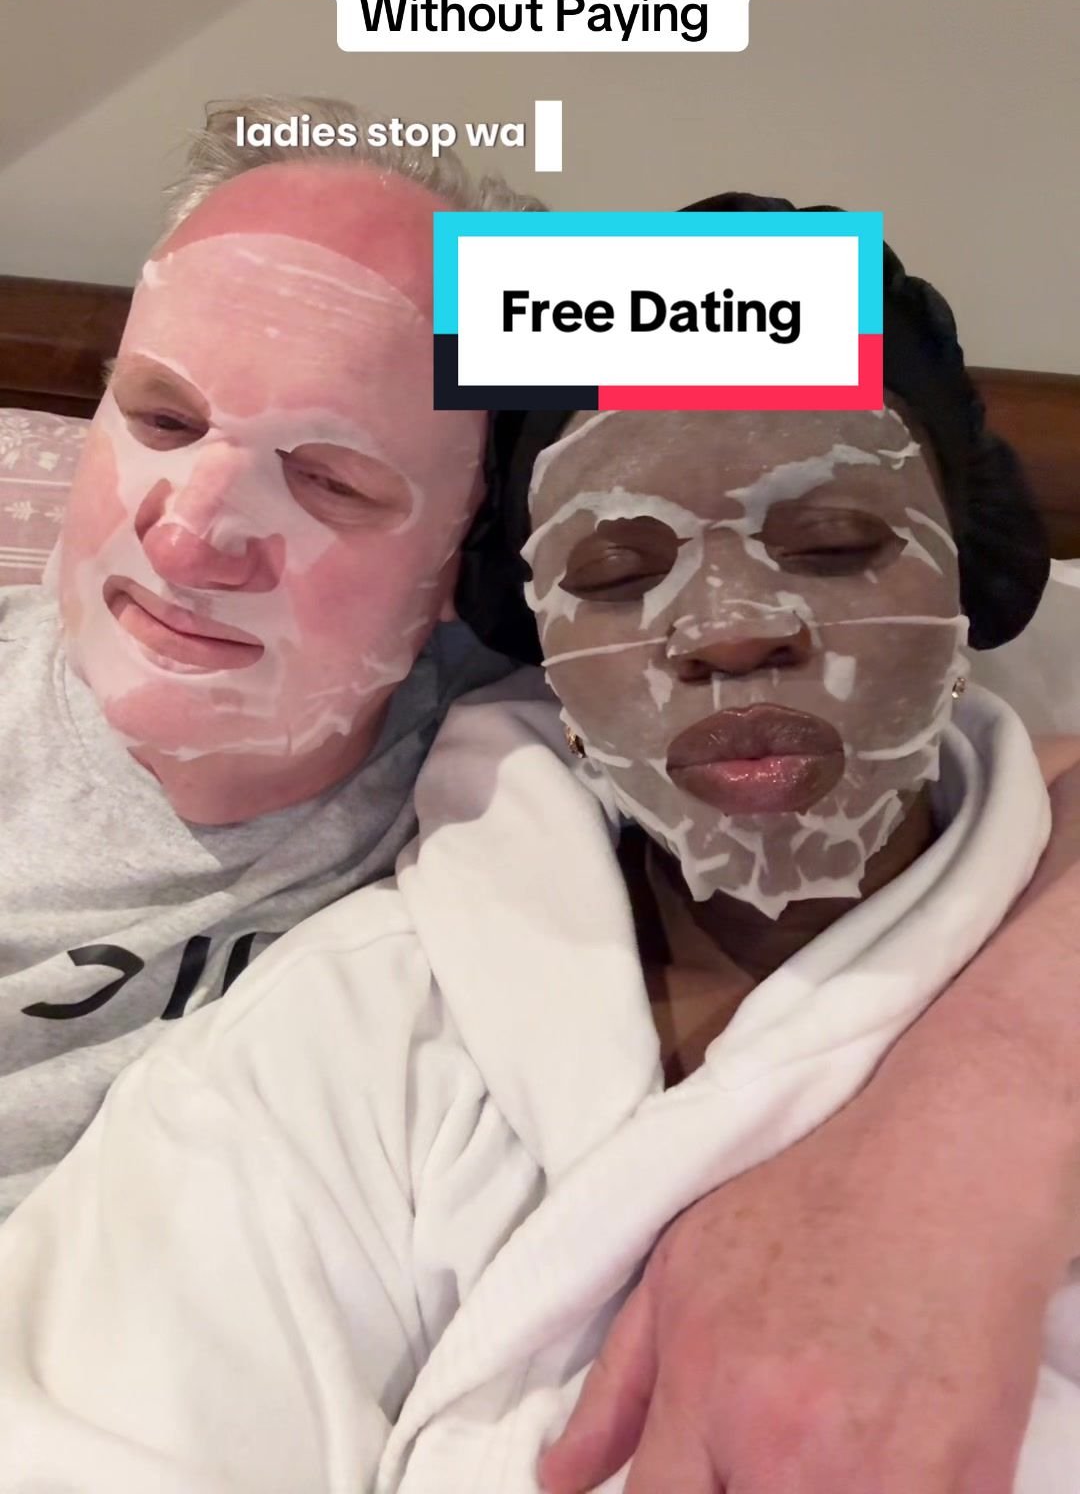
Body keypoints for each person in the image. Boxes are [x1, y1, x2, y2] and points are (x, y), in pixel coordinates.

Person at [1, 232, 1075, 1493]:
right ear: (541, 652)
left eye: (836, 544)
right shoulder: (352, 1031)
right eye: (615, 572)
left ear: (971, 584)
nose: (728, 630)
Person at [0, 94, 536, 1218]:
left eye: (330, 478)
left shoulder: (525, 785)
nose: (187, 540)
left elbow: (856, 326)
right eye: (162, 420)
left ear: (469, 548)